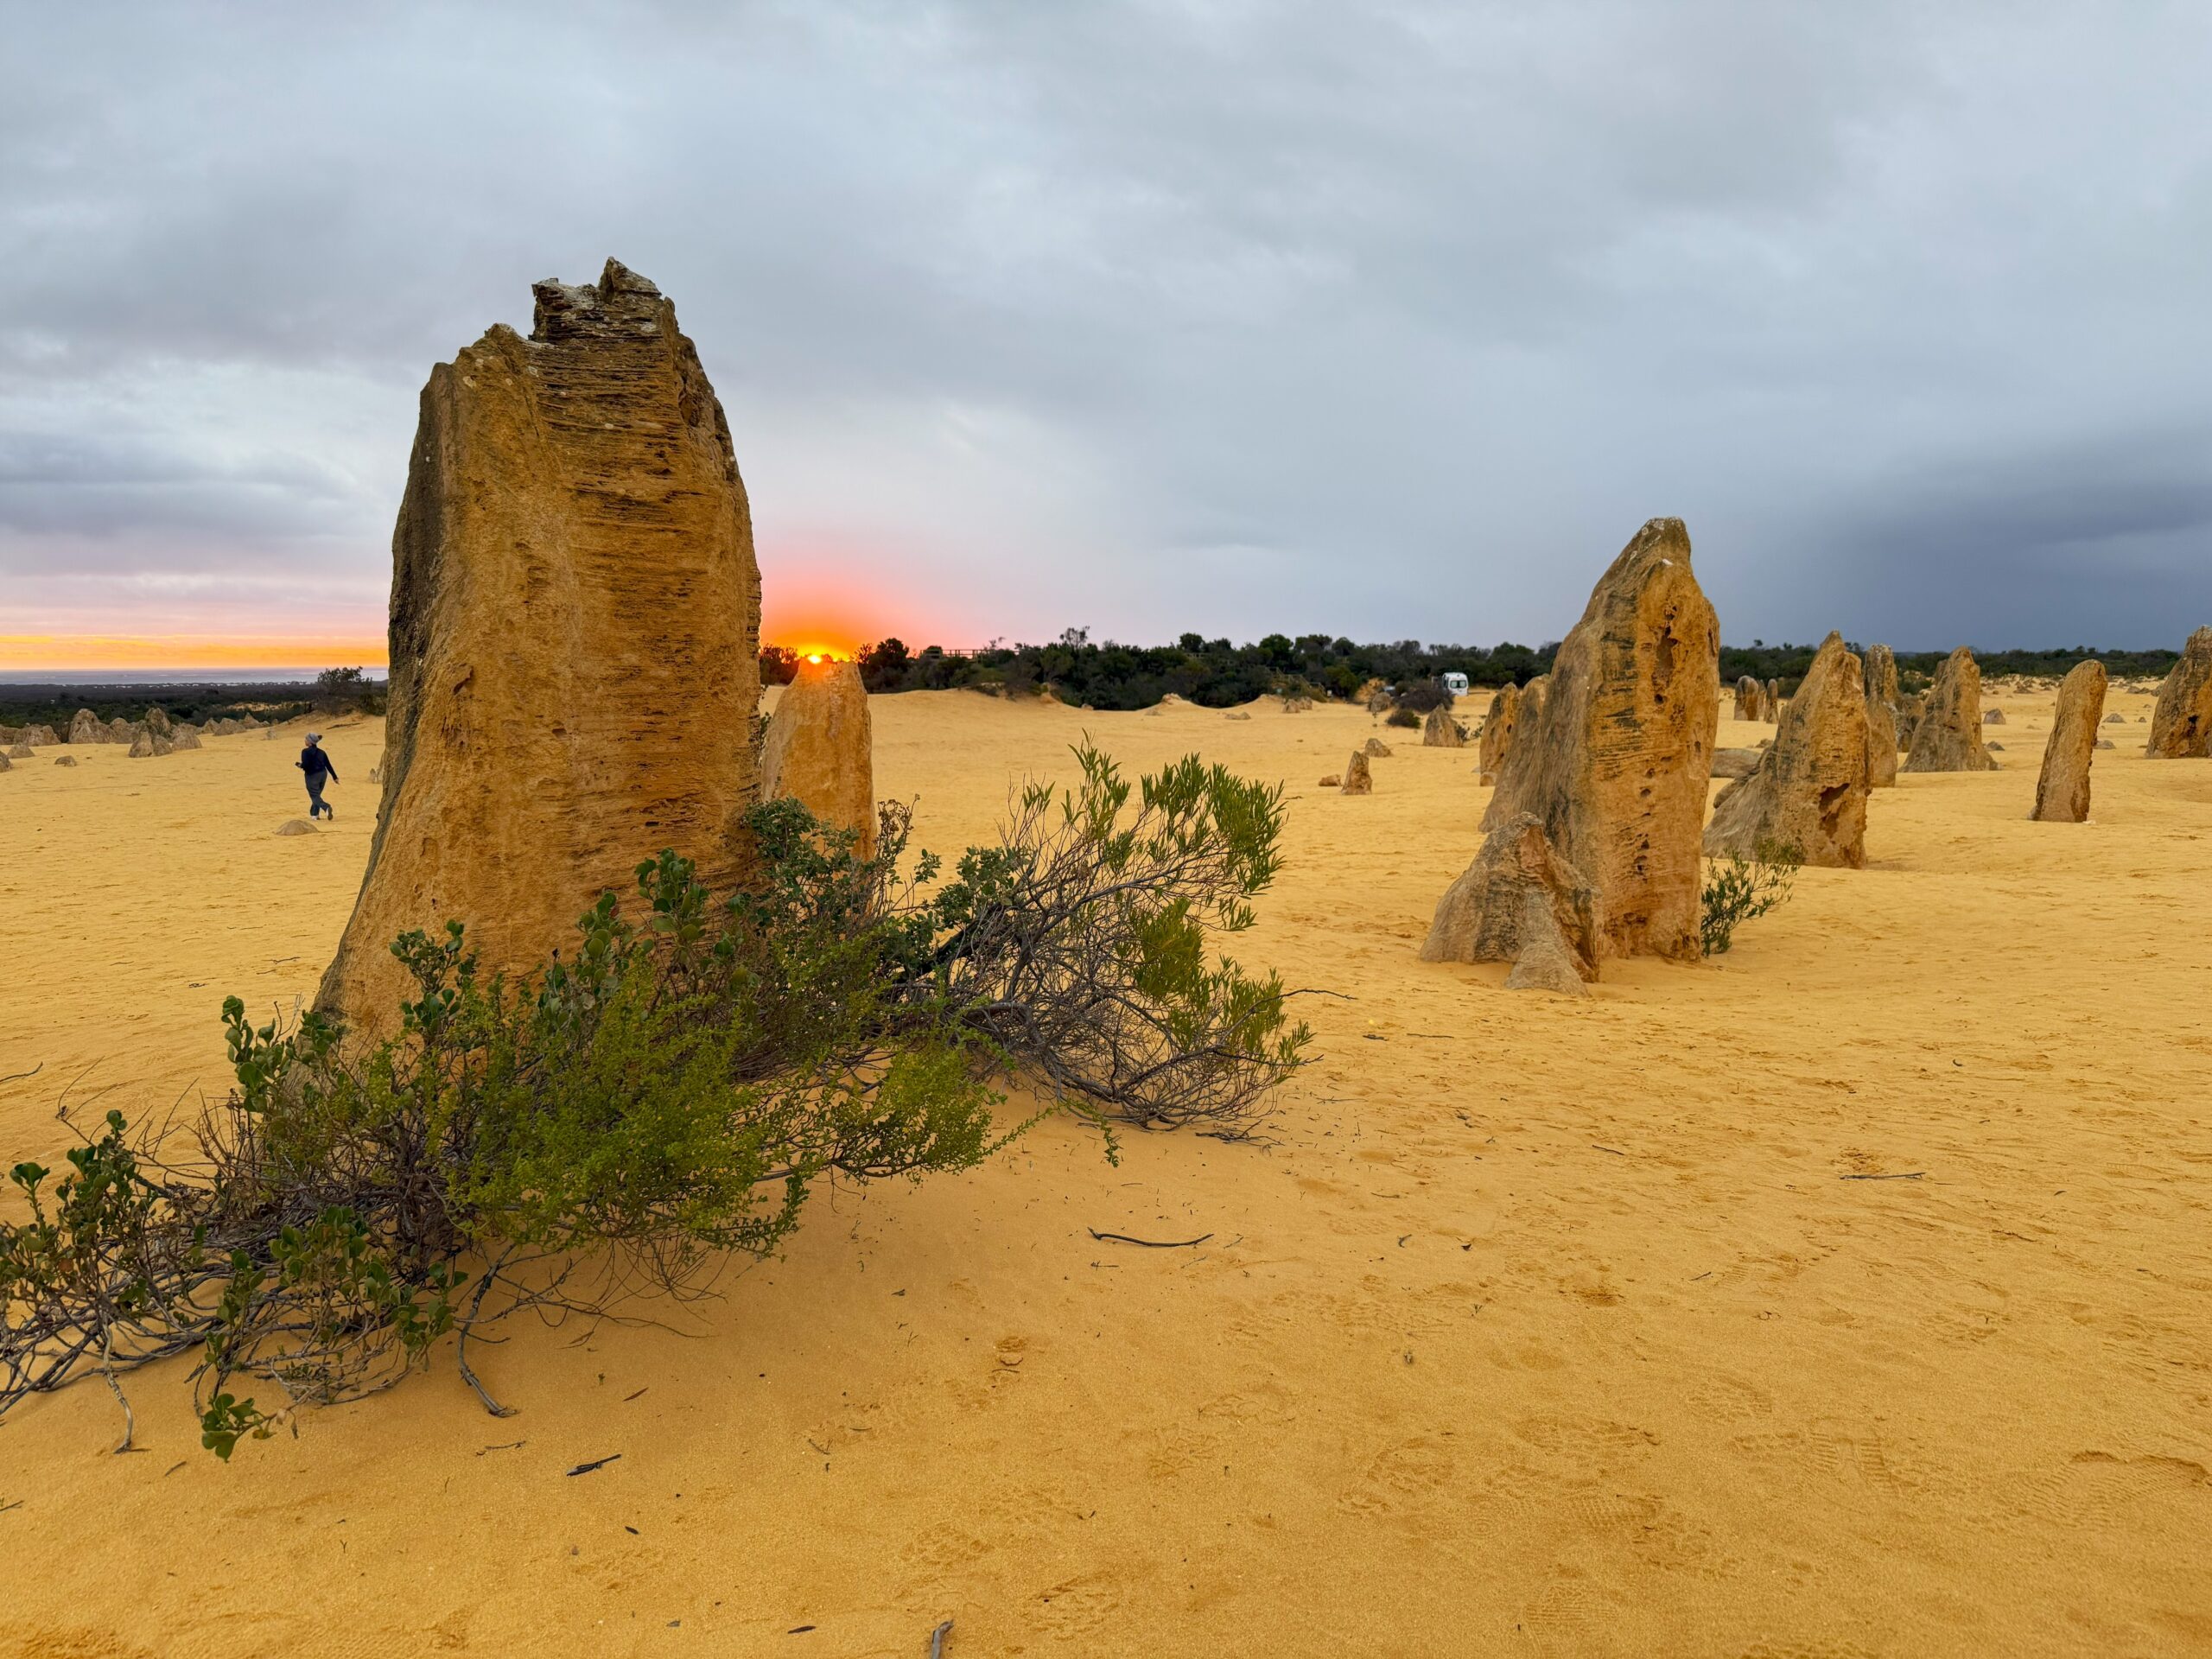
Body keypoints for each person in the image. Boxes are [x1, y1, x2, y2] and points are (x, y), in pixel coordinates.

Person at [297, 732, 339, 820]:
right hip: (323, 774)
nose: (305, 740)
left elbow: (306, 765)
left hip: (312, 776)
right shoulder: (322, 752)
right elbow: (328, 765)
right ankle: (315, 814)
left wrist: (300, 765)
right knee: (317, 794)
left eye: (306, 739)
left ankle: (326, 807)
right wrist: (335, 777)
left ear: (310, 742)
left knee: (314, 795)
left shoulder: (305, 752)